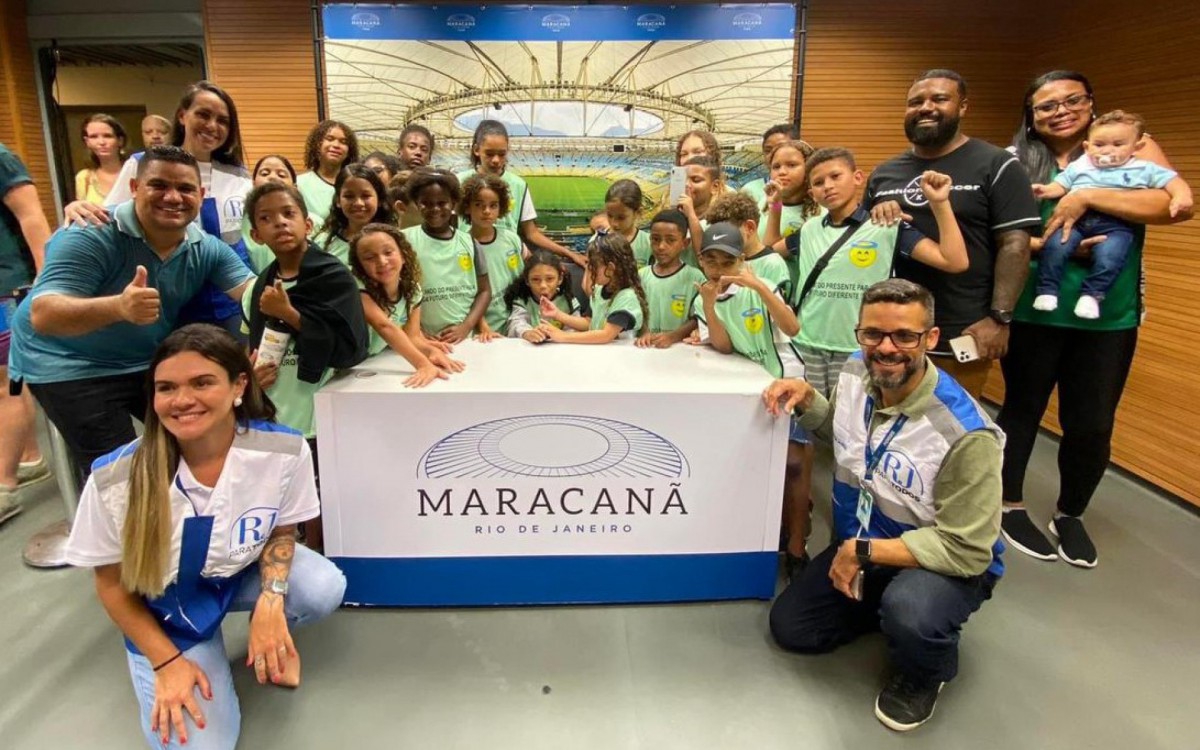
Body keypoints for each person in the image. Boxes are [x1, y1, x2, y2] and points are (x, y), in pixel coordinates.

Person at [63, 324, 346, 749]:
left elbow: (283, 532)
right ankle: (193, 650)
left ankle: (266, 633)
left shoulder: (283, 452)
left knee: (321, 587)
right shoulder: (114, 478)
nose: (182, 400)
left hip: (237, 574)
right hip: (164, 610)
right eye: (166, 387)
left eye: (202, 382)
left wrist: (270, 604)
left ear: (239, 385)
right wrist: (168, 662)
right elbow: (110, 584)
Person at [764, 278, 1003, 733]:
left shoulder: (966, 435)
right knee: (793, 629)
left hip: (938, 564)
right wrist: (807, 399)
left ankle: (927, 670)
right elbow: (846, 434)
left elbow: (969, 549)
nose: (886, 348)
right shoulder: (857, 371)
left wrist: (861, 552)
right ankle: (883, 606)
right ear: (859, 333)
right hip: (867, 542)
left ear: (930, 339)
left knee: (912, 611)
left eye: (904, 337)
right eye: (873, 334)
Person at [997, 70, 1193, 567]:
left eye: (1072, 100)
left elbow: (1168, 206)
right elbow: (1003, 233)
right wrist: (1051, 241)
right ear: (1031, 116)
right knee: (1021, 409)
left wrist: (1088, 197)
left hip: (1108, 315)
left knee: (1091, 424)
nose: (1059, 110)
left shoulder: (1127, 149)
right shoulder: (1017, 162)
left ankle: (1070, 513)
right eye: (1045, 105)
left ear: (1090, 105)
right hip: (1035, 307)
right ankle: (1009, 503)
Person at [10, 146, 254, 479]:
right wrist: (119, 307)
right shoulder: (89, 233)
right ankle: (119, 527)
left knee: (204, 436)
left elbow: (253, 295)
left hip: (142, 360)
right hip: (68, 364)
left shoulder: (203, 245)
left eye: (184, 189)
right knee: (121, 473)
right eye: (159, 185)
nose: (173, 197)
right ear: (135, 188)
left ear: (200, 195)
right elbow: (44, 314)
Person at [866, 69, 1042, 398]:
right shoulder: (884, 173)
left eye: (939, 99)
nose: (926, 107)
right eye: (915, 102)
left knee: (952, 424)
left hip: (964, 326)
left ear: (962, 107)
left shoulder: (997, 164)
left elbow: (1015, 245)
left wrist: (999, 318)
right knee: (888, 417)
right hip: (893, 328)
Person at [65, 82, 255, 339]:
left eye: (223, 120)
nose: (212, 126)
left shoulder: (239, 175)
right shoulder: (144, 164)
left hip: (230, 298)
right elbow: (108, 216)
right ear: (182, 116)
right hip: (170, 295)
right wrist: (79, 207)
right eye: (203, 114)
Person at [793, 148, 968, 398]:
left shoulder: (886, 226)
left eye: (835, 176)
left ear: (857, 178)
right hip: (807, 343)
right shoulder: (809, 229)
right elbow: (764, 251)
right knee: (811, 420)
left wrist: (939, 203)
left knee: (855, 420)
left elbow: (954, 261)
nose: (828, 186)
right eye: (819, 183)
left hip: (858, 346)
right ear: (811, 193)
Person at [1030, 110, 1192, 318]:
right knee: (1055, 247)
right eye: (1099, 145)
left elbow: (1174, 182)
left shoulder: (1143, 168)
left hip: (1116, 225)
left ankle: (1092, 295)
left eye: (1118, 145)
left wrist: (1181, 196)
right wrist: (1045, 190)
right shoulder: (1081, 165)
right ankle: (1047, 291)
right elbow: (1061, 184)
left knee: (1110, 256)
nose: (1107, 151)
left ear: (1137, 147)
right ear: (1087, 147)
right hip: (1077, 222)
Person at [455, 119, 587, 269]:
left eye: (502, 154)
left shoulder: (518, 185)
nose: (496, 160)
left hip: (506, 262)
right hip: (467, 260)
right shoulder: (458, 182)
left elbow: (531, 233)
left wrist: (569, 253)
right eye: (489, 154)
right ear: (476, 150)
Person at [0, 142, 51, 523]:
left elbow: (32, 217)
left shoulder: (1, 157)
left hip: (8, 287)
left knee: (8, 384)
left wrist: (49, 283)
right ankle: (30, 456)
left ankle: (4, 485)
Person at [350, 223, 463, 386]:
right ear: (360, 266)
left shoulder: (412, 290)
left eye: (388, 252)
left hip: (374, 365)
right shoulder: (357, 287)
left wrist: (431, 351)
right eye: (369, 258)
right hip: (349, 369)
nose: (382, 261)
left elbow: (413, 337)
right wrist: (423, 364)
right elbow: (384, 326)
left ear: (403, 255)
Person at [689, 222, 801, 378]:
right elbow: (724, 347)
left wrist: (760, 287)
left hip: (782, 374)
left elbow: (792, 329)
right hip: (746, 376)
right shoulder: (702, 299)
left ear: (741, 260)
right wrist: (709, 307)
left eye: (728, 263)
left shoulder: (762, 287)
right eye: (711, 261)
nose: (719, 270)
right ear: (701, 260)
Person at [402, 169, 491, 344]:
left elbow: (485, 291)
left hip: (465, 340)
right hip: (422, 340)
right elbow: (396, 293)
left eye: (442, 203)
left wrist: (466, 326)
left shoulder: (470, 243)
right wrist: (416, 331)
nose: (435, 208)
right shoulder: (404, 240)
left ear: (454, 204)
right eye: (426, 203)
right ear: (416, 203)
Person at [537, 233, 647, 344]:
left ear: (610, 269)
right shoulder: (599, 290)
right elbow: (589, 323)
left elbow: (606, 335)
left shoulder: (627, 298)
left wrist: (563, 336)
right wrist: (557, 314)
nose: (588, 269)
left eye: (593, 265)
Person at [460, 174, 522, 340]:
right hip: (485, 330)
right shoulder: (462, 246)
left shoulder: (511, 239)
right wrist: (482, 326)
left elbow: (520, 278)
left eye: (493, 205)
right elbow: (467, 293)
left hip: (516, 322)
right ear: (467, 207)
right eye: (479, 205)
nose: (487, 211)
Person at [635, 209, 705, 348]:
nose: (661, 246)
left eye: (670, 240)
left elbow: (697, 317)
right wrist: (644, 332)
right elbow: (636, 309)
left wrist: (673, 337)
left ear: (685, 243)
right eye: (655, 239)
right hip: (646, 347)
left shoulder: (695, 277)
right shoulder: (641, 275)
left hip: (681, 349)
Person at [707, 192, 791, 299]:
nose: (723, 240)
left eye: (727, 233)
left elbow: (779, 310)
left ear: (750, 227)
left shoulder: (772, 264)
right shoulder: (720, 260)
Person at [762, 139, 821, 290]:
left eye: (792, 165)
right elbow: (767, 255)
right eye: (776, 167)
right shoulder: (760, 207)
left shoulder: (822, 212)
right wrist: (775, 204)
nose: (782, 172)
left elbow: (773, 252)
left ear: (809, 169)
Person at [312, 164, 394, 267]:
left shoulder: (394, 241)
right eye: (349, 196)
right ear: (338, 200)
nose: (358, 203)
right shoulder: (323, 244)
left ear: (379, 199)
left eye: (366, 196)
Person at [505, 249, 579, 343]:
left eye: (549, 279)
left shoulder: (568, 301)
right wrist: (527, 333)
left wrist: (559, 334)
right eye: (536, 279)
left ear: (560, 279)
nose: (543, 286)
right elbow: (516, 323)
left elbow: (575, 327)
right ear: (527, 281)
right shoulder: (523, 301)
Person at [296, 120, 359, 226]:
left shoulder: (356, 183)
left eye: (343, 142)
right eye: (329, 139)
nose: (336, 145)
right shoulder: (299, 184)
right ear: (317, 144)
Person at [244, 154, 298, 273]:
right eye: (264, 173)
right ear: (253, 184)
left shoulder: (315, 223)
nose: (273, 177)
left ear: (295, 187)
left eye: (282, 175)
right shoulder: (238, 221)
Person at [740, 123, 797, 211]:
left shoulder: (814, 192)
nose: (773, 154)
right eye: (768, 150)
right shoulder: (750, 191)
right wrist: (775, 205)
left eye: (780, 148)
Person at [75, 114, 127, 204]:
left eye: (107, 136)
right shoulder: (84, 178)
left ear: (120, 140)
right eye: (94, 137)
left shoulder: (137, 171)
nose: (101, 142)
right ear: (87, 142)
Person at [601, 179, 652, 267]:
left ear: (638, 213)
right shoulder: (598, 241)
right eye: (609, 215)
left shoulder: (649, 243)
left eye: (621, 218)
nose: (614, 223)